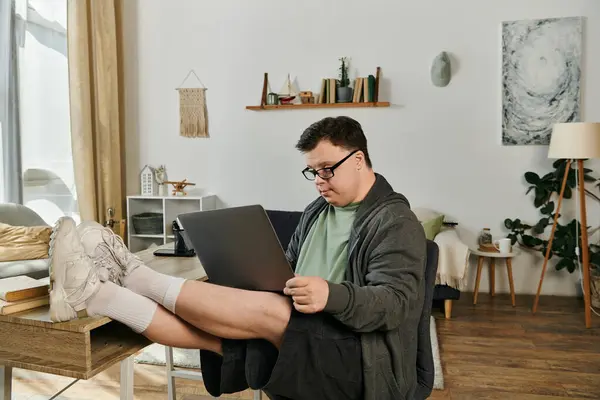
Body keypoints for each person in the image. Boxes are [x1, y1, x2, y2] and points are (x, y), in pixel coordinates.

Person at [47, 116, 427, 400]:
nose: (319, 180)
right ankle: (97, 294)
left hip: (360, 356)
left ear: (358, 160)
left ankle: (133, 274)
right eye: (312, 171)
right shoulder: (317, 210)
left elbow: (396, 304)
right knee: (217, 324)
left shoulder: (395, 220)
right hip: (310, 331)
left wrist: (331, 294)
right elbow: (290, 267)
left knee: (272, 314)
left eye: (327, 169)